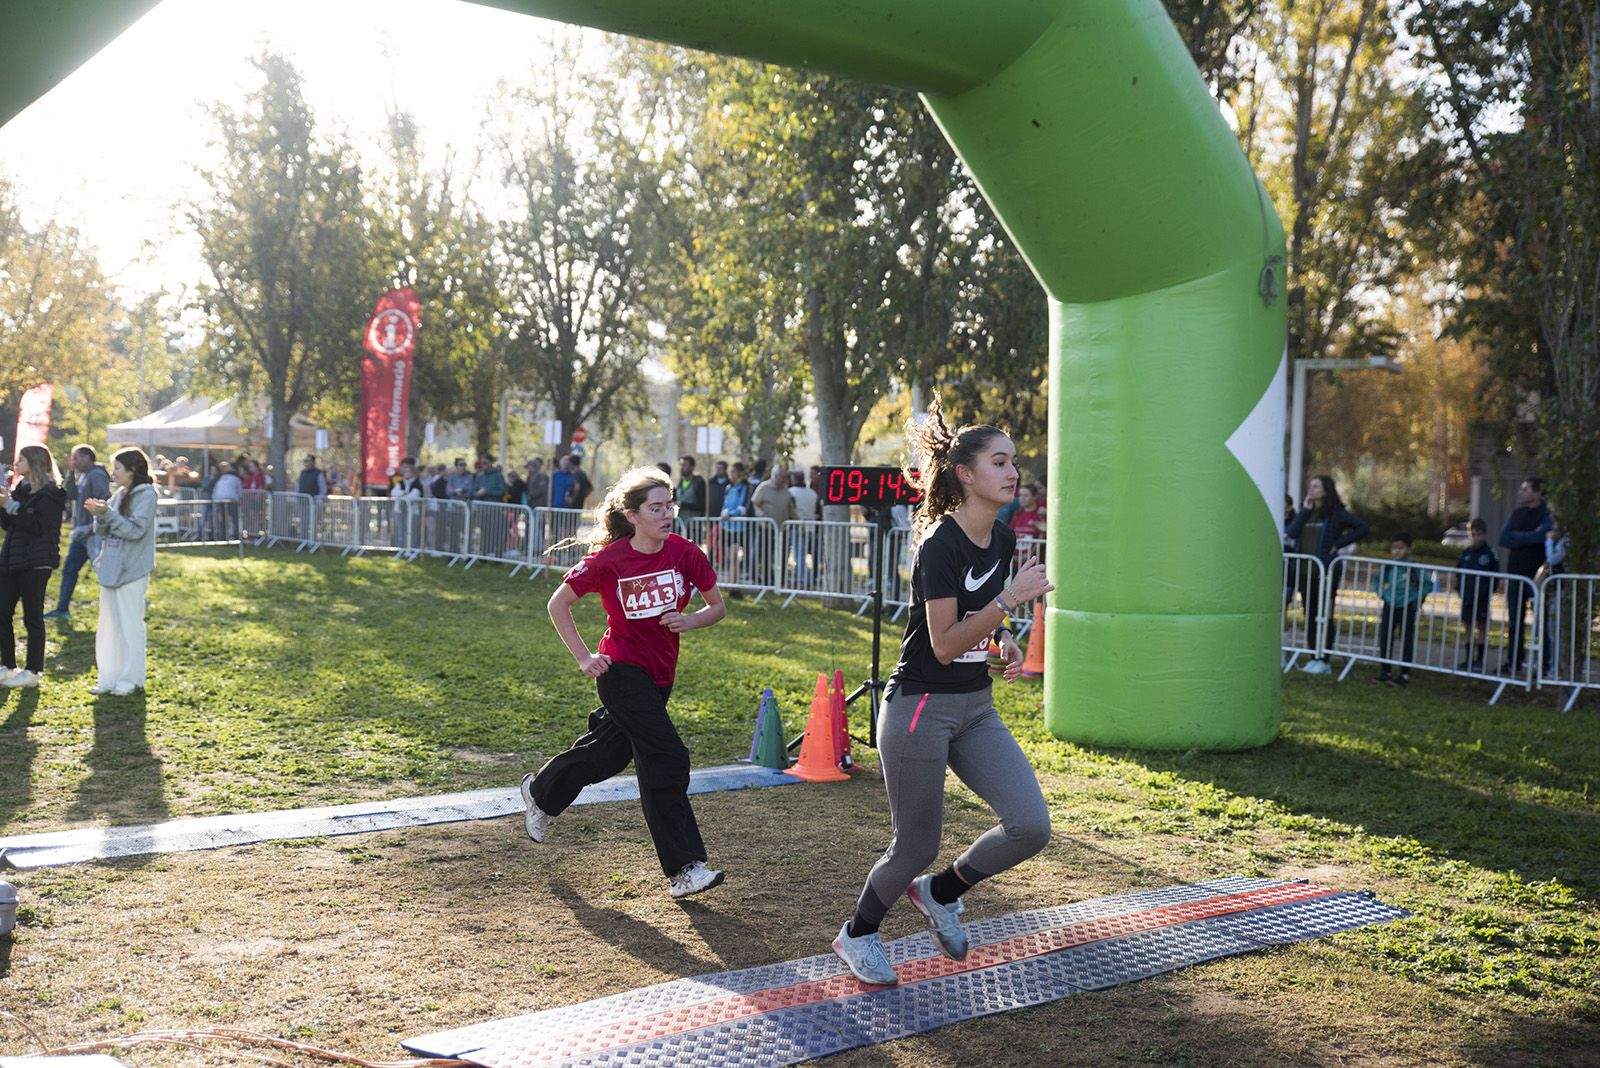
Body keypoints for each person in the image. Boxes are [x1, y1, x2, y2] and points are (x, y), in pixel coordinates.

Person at [831, 395, 1053, 987]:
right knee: (914, 844)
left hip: (975, 708)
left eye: (1013, 463)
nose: (1012, 473)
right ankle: (856, 935)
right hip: (920, 709)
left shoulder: (1001, 541)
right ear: (965, 473)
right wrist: (1010, 602)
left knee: (1031, 826)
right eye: (1000, 463)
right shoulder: (939, 545)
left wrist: (1004, 636)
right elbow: (945, 644)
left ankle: (941, 892)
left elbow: (980, 620)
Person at [518, 467, 729, 899]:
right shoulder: (610, 560)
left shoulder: (686, 553)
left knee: (608, 755)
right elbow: (558, 604)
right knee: (666, 756)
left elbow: (717, 607)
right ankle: (685, 868)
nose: (667, 514)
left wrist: (690, 620)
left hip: (660, 675)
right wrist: (584, 657)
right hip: (620, 672)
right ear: (632, 516)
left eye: (669, 505)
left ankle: (541, 791)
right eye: (656, 508)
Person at [84, 448, 159, 696]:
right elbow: (104, 531)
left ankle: (130, 678)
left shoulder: (147, 495)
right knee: (109, 626)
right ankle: (109, 676)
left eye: (117, 468)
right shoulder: (118, 494)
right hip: (111, 569)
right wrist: (100, 515)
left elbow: (135, 530)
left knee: (130, 625)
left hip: (132, 570)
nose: (113, 472)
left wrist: (108, 514)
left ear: (132, 470)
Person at [1284, 475, 1370, 672]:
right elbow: (1293, 532)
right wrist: (1305, 511)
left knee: (1323, 615)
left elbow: (1362, 528)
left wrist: (1338, 544)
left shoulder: (1336, 513)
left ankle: (1324, 659)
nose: (1311, 489)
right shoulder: (1307, 512)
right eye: (1310, 485)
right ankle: (1313, 655)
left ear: (1326, 490)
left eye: (1316, 486)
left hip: (1325, 573)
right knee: (1310, 614)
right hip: (1306, 572)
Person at [0, 446, 68, 689]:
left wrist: (10, 506)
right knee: (3, 612)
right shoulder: (22, 489)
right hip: (11, 559)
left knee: (33, 617)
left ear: (35, 463)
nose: (16, 463)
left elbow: (36, 525)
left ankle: (33, 670)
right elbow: (12, 525)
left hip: (36, 562)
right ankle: (7, 665)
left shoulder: (51, 493)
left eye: (21, 459)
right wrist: (4, 506)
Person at [45, 445, 110, 621]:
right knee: (70, 570)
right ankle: (62, 609)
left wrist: (93, 527)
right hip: (81, 534)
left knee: (105, 572)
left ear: (88, 457)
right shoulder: (83, 475)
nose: (74, 460)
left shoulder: (96, 475)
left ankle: (127, 603)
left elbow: (104, 499)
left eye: (77, 457)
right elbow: (71, 495)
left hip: (93, 533)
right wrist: (70, 475)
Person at [1497, 478, 1551, 675]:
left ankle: (1545, 665)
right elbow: (1504, 538)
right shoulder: (1517, 513)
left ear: (1537, 493)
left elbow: (1542, 536)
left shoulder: (1546, 515)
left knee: (1542, 621)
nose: (1521, 493)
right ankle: (1513, 662)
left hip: (1537, 576)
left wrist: (1518, 536)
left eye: (1525, 489)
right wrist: (1528, 536)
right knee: (1514, 622)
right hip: (1516, 574)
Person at [1372, 533, 1432, 687]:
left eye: (1401, 548)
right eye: (1394, 548)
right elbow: (1377, 580)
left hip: (1407, 606)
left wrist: (1415, 598)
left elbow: (1426, 584)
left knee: (1406, 638)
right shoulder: (1389, 565)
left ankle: (1404, 673)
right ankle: (1385, 670)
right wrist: (1382, 593)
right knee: (1385, 636)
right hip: (1390, 603)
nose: (1397, 551)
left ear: (1409, 549)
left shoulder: (1414, 567)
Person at [1454, 518, 1499, 672]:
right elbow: (1458, 573)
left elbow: (1495, 576)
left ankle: (1479, 660)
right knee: (1467, 627)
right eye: (1473, 534)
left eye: (1479, 534)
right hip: (1467, 597)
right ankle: (1467, 658)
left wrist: (1488, 592)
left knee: (1481, 627)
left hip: (1482, 598)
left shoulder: (1490, 554)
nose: (1476, 537)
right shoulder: (1466, 553)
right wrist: (1460, 590)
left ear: (1484, 534)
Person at [751, 462, 795, 586]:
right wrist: (761, 515)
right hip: (766, 528)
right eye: (777, 476)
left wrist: (800, 520)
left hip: (782, 529)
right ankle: (765, 580)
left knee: (782, 556)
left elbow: (790, 508)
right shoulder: (763, 487)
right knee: (765, 555)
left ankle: (779, 581)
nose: (779, 479)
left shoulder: (786, 491)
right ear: (772, 476)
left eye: (782, 477)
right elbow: (755, 503)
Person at [1537, 521, 1569, 676]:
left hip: (1562, 590)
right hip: (1555, 589)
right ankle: (1554, 666)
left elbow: (1553, 558)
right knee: (1553, 630)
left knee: (1557, 631)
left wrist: (1548, 541)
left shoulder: (1566, 541)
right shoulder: (1563, 541)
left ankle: (1557, 667)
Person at [211, 461, 243, 540]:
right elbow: (239, 491)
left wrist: (215, 500)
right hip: (232, 500)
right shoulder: (236, 479)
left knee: (223, 520)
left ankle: (223, 536)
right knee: (234, 519)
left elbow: (216, 490)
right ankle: (236, 537)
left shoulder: (220, 479)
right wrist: (238, 498)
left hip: (220, 501)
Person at [676, 456, 707, 522]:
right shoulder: (679, 483)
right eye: (681, 465)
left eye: (685, 465)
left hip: (693, 525)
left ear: (692, 467)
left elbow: (701, 505)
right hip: (680, 524)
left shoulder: (698, 482)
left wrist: (683, 504)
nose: (681, 467)